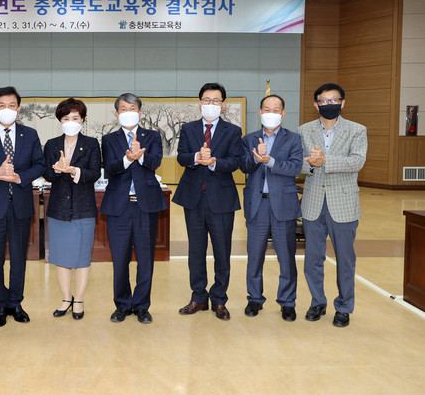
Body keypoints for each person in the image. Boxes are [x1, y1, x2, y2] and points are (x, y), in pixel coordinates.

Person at [0, 86, 46, 327]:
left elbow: (40, 164)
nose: (6, 109)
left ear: (19, 108)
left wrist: (20, 177)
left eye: (11, 105)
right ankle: (0, 305)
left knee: (19, 257)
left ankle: (15, 302)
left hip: (21, 205)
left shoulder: (30, 134)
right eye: (1, 105)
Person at [173, 82, 243, 320]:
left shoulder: (233, 131)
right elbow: (181, 156)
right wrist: (196, 157)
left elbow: (235, 161)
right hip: (193, 199)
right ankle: (199, 297)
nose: (210, 104)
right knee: (196, 251)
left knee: (222, 252)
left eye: (215, 100)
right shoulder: (188, 128)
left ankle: (219, 299)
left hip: (221, 200)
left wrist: (214, 162)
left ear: (223, 105)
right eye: (206, 100)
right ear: (199, 103)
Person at [299, 83, 367, 327]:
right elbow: (298, 163)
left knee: (345, 260)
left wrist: (324, 160)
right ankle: (317, 302)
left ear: (342, 102)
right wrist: (311, 164)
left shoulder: (357, 130)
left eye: (334, 100)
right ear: (316, 104)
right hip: (313, 204)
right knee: (312, 259)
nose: (329, 104)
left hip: (344, 203)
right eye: (324, 101)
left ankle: (344, 307)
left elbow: (357, 161)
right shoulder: (304, 130)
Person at [100, 93, 168, 324]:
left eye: (132, 109)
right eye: (123, 109)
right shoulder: (109, 139)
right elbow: (110, 168)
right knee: (120, 260)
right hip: (119, 207)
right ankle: (122, 305)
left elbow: (155, 162)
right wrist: (128, 159)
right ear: (116, 113)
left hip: (145, 206)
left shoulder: (152, 136)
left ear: (140, 112)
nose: (127, 112)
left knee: (145, 259)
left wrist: (140, 157)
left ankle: (141, 306)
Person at [240, 95, 303, 321]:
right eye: (267, 109)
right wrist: (256, 159)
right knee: (254, 256)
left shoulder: (293, 139)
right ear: (259, 113)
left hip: (283, 205)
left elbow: (295, 167)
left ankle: (287, 302)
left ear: (283, 114)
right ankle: (254, 299)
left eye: (276, 110)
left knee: (286, 257)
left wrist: (270, 161)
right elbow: (243, 166)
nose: (271, 113)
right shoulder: (249, 139)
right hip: (257, 205)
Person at [42, 98, 101, 320]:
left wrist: (74, 170)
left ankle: (79, 300)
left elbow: (94, 173)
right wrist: (57, 169)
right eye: (66, 118)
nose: (70, 121)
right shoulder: (51, 144)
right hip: (58, 208)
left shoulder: (92, 143)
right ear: (60, 120)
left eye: (75, 117)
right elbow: (47, 174)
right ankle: (66, 298)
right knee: (61, 257)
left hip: (84, 208)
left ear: (82, 120)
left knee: (82, 258)